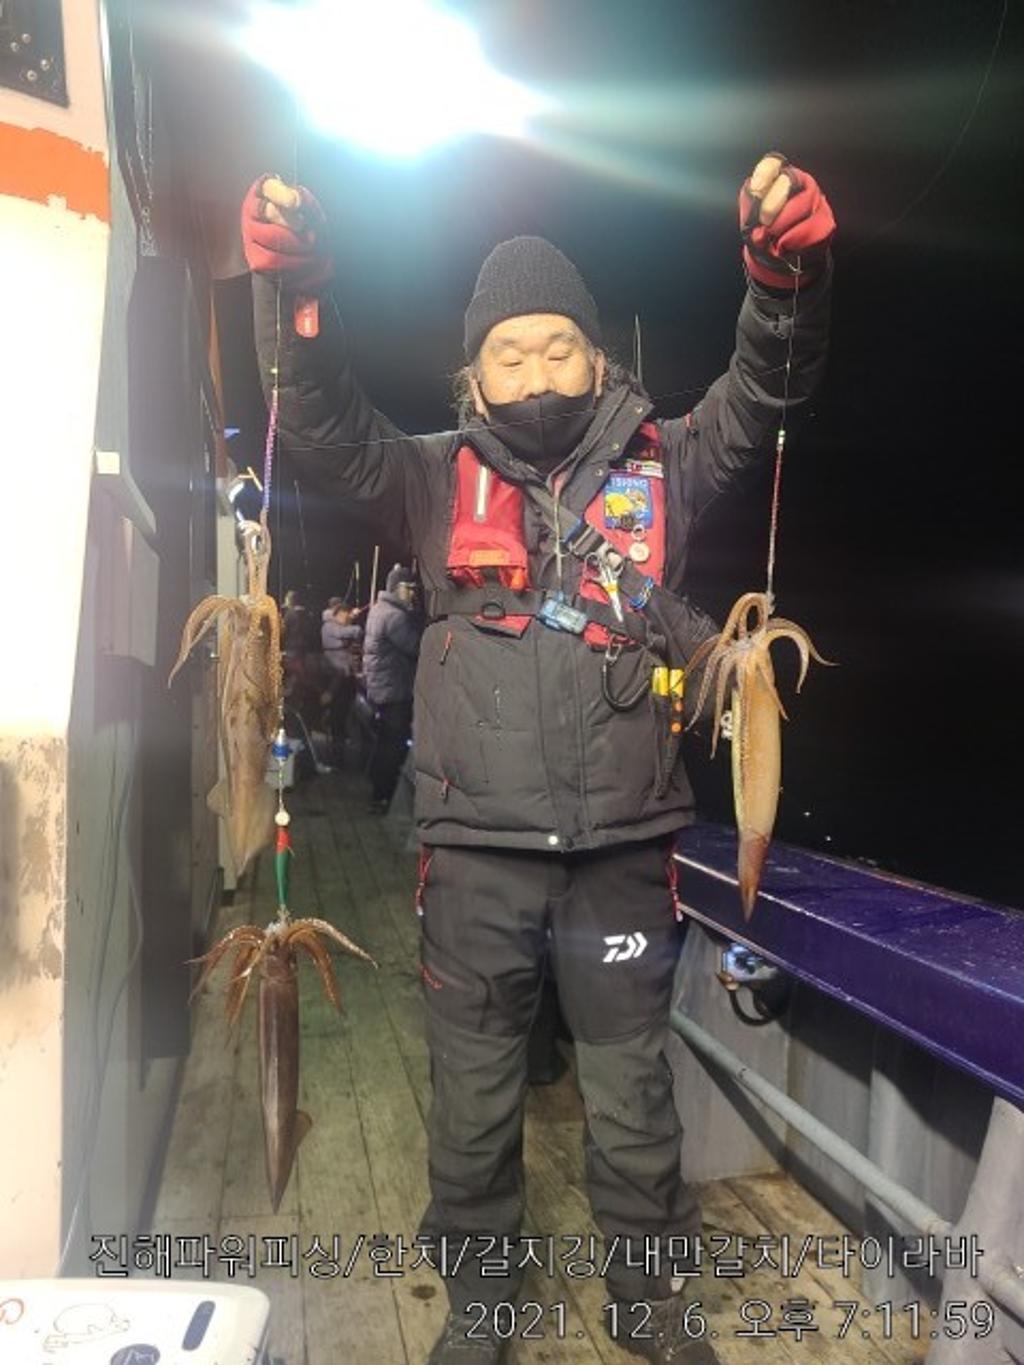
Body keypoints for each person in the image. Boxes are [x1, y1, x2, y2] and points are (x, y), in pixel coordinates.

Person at [242, 153, 834, 1364]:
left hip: (622, 855)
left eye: (559, 346)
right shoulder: (427, 477)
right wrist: (293, 298)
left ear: (597, 359)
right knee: (471, 1107)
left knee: (634, 1102)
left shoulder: (666, 462)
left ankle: (649, 1307)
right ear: (475, 373)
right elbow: (323, 421)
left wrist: (784, 281)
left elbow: (764, 392)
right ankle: (484, 1309)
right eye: (508, 354)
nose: (536, 371)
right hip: (473, 861)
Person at [362, 564, 423, 813]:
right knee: (393, 745)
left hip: (382, 688)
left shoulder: (380, 609)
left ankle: (377, 789)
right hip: (394, 689)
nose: (413, 594)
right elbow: (416, 647)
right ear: (398, 588)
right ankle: (384, 795)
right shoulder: (395, 616)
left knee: (384, 742)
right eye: (410, 589)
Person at [320, 599, 363, 763]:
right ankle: (336, 755)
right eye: (345, 615)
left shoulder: (337, 625)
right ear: (337, 614)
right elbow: (346, 633)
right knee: (337, 717)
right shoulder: (329, 626)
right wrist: (355, 625)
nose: (346, 618)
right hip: (335, 677)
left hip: (344, 676)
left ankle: (341, 751)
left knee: (343, 715)